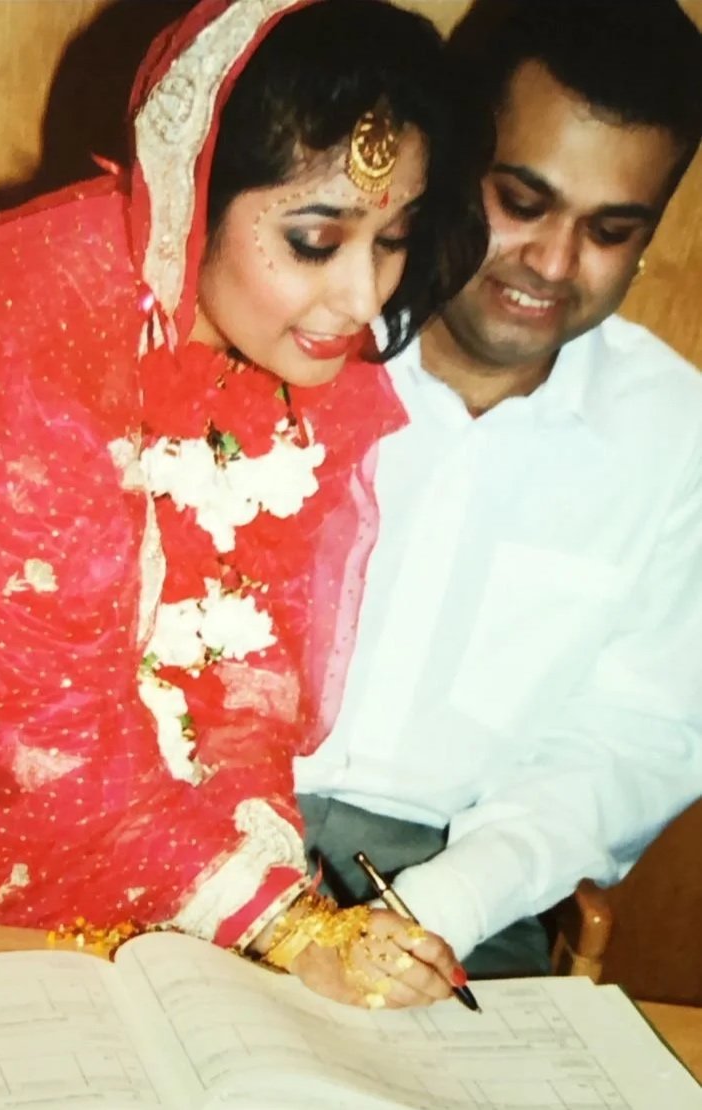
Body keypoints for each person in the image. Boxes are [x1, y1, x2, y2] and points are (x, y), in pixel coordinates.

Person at [0, 0, 488, 1009]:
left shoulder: (271, 350)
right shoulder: (29, 351)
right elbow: (39, 733)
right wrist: (280, 925)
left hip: (38, 779)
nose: (360, 299)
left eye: (393, 238)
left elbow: (235, 676)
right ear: (195, 192)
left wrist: (283, 887)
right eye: (315, 240)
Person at [296, 0, 702, 979]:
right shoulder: (296, 339)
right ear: (442, 168)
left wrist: (439, 906)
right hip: (192, 844)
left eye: (608, 229)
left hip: (462, 904)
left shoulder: (675, 442)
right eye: (520, 203)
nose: (554, 265)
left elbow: (629, 743)